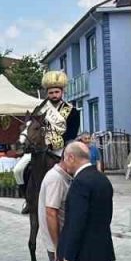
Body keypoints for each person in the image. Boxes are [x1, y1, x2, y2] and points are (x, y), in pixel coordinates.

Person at [14, 71, 80, 212]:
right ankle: (28, 200)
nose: (54, 95)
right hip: (38, 147)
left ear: (62, 92)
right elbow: (31, 127)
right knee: (18, 170)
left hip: (59, 147)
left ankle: (73, 200)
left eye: (57, 92)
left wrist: (53, 143)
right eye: (51, 92)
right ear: (47, 93)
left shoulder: (72, 111)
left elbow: (71, 134)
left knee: (74, 174)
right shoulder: (40, 109)